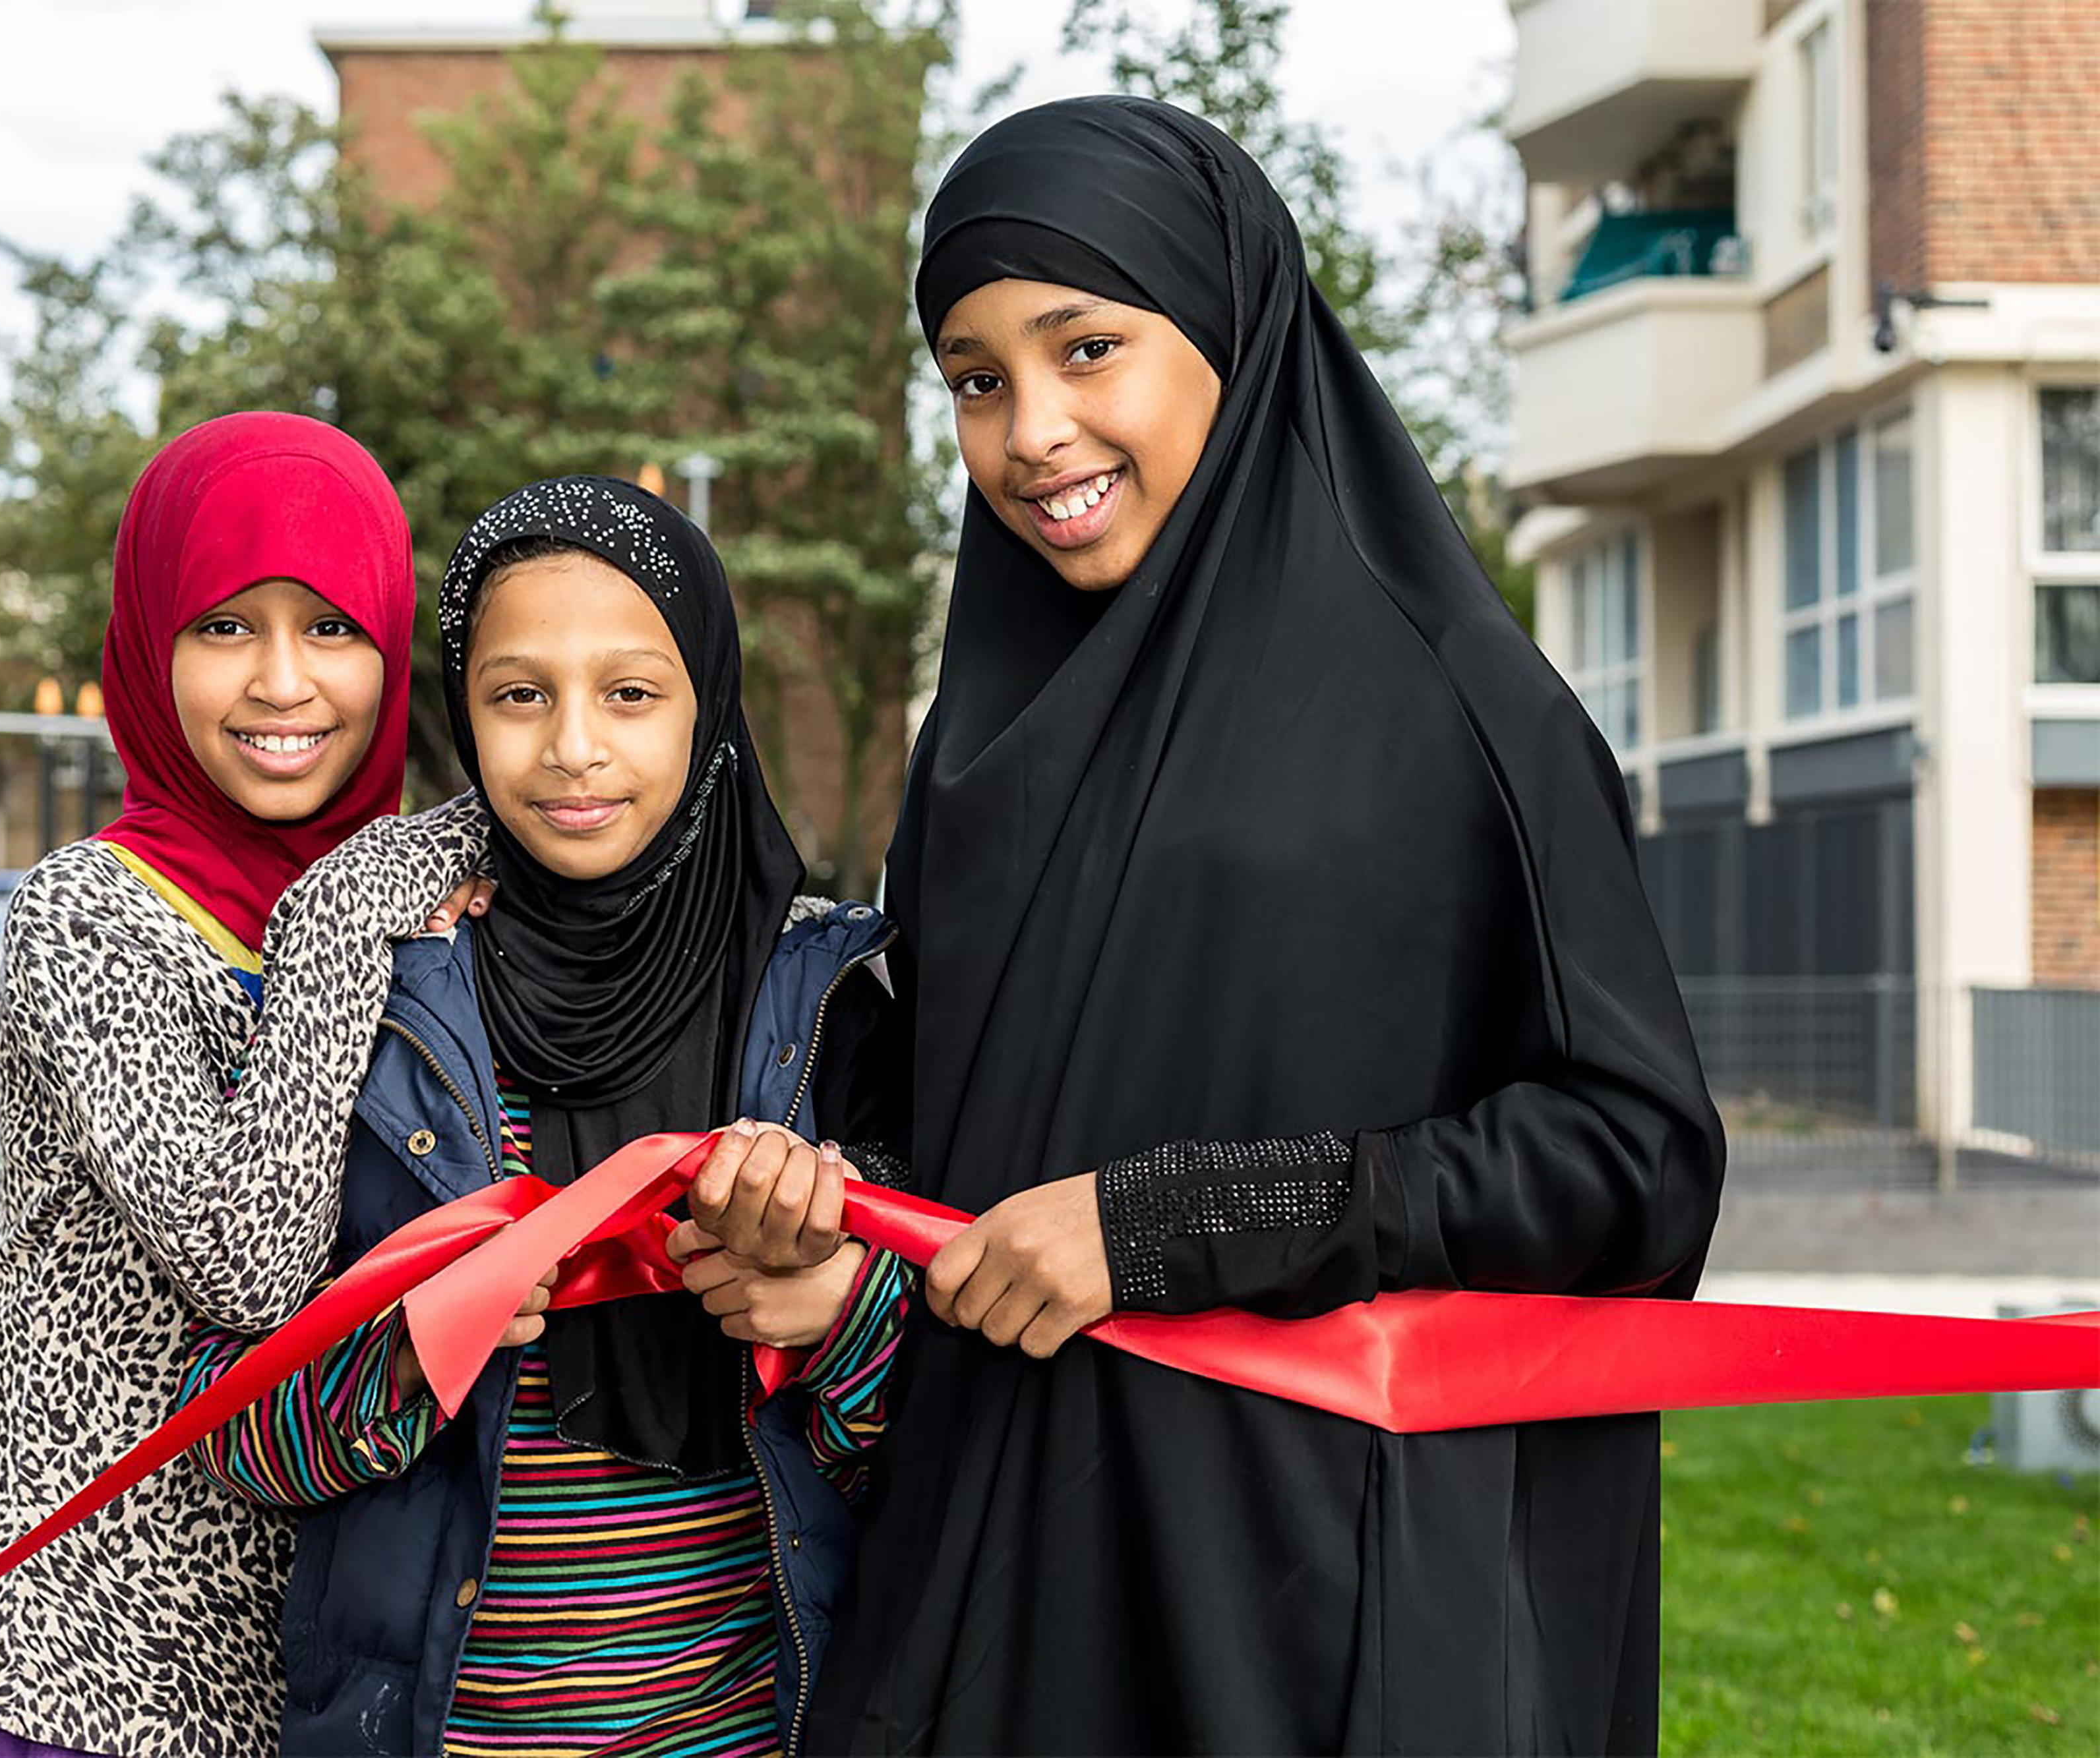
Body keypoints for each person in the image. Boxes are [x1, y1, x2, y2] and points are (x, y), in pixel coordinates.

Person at [796, 97, 1727, 1755]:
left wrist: (1176, 1222)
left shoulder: (1456, 711)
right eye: (976, 377)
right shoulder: (984, 745)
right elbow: (946, 1134)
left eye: (1087, 349)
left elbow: (1632, 1158)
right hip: (1000, 1592)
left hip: (1321, 1609)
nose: (1030, 434)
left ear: (1228, 331)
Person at [173, 475, 912, 1758]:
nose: (573, 745)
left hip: (754, 1729)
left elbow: (962, 1422)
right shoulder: (372, 1002)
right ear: (463, 712)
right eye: (520, 694)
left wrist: (840, 1312)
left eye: (630, 692)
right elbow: (229, 1431)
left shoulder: (839, 1000)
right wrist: (402, 1348)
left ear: (710, 706)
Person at [0, 412, 487, 1758]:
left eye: (330, 628)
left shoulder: (424, 897)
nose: (283, 681)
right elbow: (249, 1261)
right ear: (151, 638)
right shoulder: (87, 916)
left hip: (319, 1628)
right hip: (80, 1647)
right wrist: (341, 920)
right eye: (225, 626)